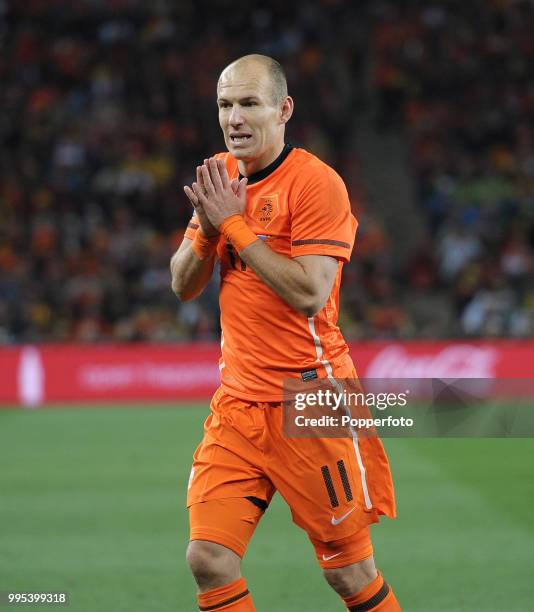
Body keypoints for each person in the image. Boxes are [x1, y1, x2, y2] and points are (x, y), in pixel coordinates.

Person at [170, 54, 399, 611]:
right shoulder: (220, 178)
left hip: (310, 399)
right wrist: (205, 228)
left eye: (249, 103)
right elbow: (182, 284)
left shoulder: (318, 185)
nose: (235, 118)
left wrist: (236, 226)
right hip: (239, 404)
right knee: (208, 558)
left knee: (350, 574)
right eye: (225, 105)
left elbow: (308, 293)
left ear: (283, 108)